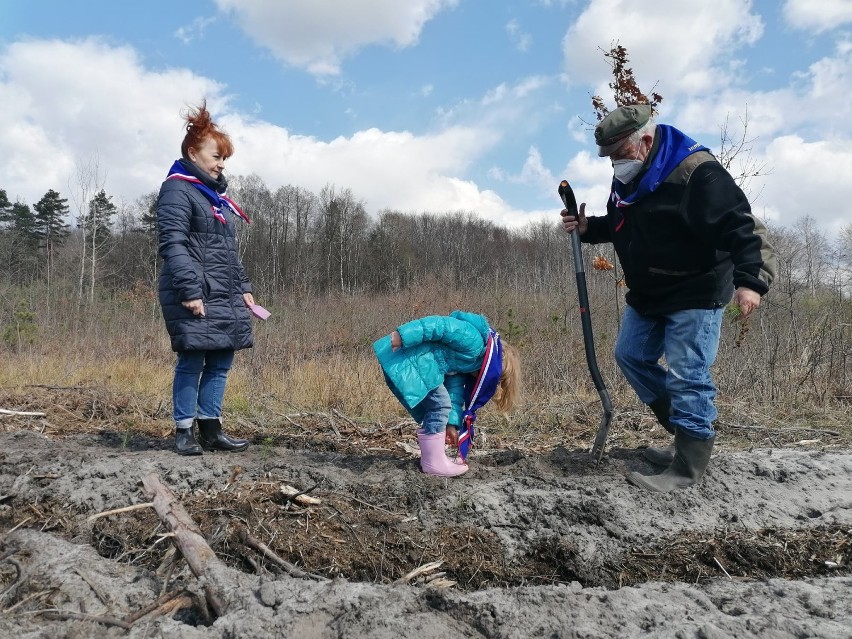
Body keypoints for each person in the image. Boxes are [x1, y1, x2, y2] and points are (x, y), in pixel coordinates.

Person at [561, 104, 776, 492]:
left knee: (687, 374)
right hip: (650, 292)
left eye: (619, 155)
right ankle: (682, 435)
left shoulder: (697, 173)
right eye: (608, 158)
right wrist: (590, 227)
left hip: (696, 289)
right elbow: (628, 223)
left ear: (645, 141)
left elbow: (742, 226)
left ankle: (688, 467)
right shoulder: (632, 176)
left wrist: (751, 281)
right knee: (631, 355)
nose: (614, 165)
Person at [157, 100, 255, 456]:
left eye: (224, 158)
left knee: (219, 361)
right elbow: (173, 243)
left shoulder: (213, 197)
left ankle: (211, 430)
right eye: (216, 156)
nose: (221, 164)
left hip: (223, 292)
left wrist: (243, 288)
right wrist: (189, 290)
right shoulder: (177, 190)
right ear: (193, 152)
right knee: (193, 359)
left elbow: (225, 251)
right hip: (195, 292)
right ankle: (184, 432)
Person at [373, 310, 521, 477]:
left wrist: (451, 424)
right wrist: (404, 335)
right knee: (439, 405)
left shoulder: (469, 364)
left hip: (420, 364)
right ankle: (433, 462)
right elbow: (440, 325)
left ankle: (432, 459)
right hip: (408, 356)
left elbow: (454, 393)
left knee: (440, 406)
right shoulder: (473, 341)